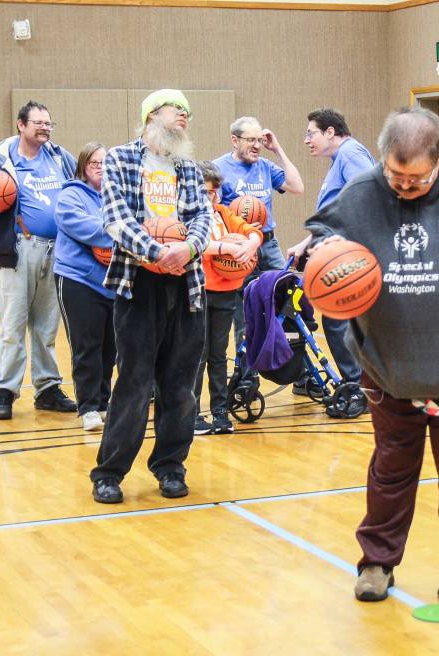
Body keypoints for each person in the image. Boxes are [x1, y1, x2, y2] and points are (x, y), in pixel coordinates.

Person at [304, 107, 439, 602]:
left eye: (417, 178)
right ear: (383, 160)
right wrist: (323, 247)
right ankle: (377, 562)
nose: (404, 186)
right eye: (395, 176)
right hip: (385, 365)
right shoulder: (361, 194)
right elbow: (322, 230)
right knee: (390, 470)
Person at [89, 89, 212, 504]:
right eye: (177, 109)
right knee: (134, 383)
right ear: (151, 115)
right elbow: (116, 217)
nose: (185, 115)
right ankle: (109, 473)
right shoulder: (121, 159)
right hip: (138, 283)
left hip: (187, 284)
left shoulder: (188, 167)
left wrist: (187, 249)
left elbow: (202, 215)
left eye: (188, 111)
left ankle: (171, 467)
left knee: (181, 386)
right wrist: (158, 252)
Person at [0, 100, 79, 420]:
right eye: (38, 123)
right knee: (13, 325)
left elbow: (81, 190)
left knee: (47, 327)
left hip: (57, 250)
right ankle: (4, 390)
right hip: (19, 250)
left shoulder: (60, 157)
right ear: (21, 124)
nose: (45, 128)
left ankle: (47, 388)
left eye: (48, 123)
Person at [287, 108, 375, 406]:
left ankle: (359, 388)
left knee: (339, 321)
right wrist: (307, 243)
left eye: (310, 133)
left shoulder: (351, 155)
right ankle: (360, 385)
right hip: (338, 250)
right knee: (340, 322)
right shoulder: (340, 159)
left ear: (330, 132)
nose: (306, 140)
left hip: (349, 254)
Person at [212, 116, 304, 344]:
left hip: (269, 244)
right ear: (235, 140)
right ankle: (245, 365)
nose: (257, 146)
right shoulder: (219, 168)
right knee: (244, 312)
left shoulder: (265, 166)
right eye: (250, 140)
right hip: (240, 248)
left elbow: (297, 187)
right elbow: (212, 211)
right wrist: (239, 227)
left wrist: (277, 149)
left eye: (260, 140)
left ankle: (291, 360)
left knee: (288, 297)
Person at [193, 160, 263, 435]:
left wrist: (250, 245)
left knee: (218, 354)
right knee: (197, 354)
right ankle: (191, 414)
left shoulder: (223, 213)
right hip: (199, 290)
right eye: (205, 192)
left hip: (225, 291)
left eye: (214, 192)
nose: (211, 197)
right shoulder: (189, 217)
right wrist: (225, 247)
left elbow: (253, 231)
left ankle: (220, 412)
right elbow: (195, 244)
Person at [53, 142, 116, 432]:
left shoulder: (117, 197)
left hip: (112, 281)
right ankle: (88, 407)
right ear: (83, 167)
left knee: (110, 348)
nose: (101, 168)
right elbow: (84, 227)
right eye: (94, 163)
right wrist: (119, 231)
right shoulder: (70, 195)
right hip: (77, 279)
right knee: (86, 346)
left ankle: (103, 402)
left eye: (106, 163)